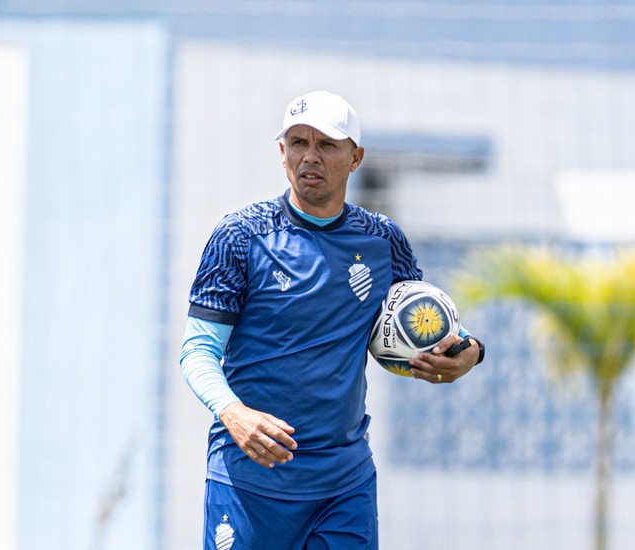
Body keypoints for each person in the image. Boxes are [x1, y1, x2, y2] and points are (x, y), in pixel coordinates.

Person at [179, 90, 485, 549]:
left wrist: (471, 354)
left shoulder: (383, 240)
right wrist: (234, 413)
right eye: (299, 142)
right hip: (250, 478)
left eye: (327, 145)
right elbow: (197, 351)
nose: (310, 156)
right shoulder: (240, 237)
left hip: (343, 485)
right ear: (282, 153)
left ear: (355, 157)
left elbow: (428, 323)